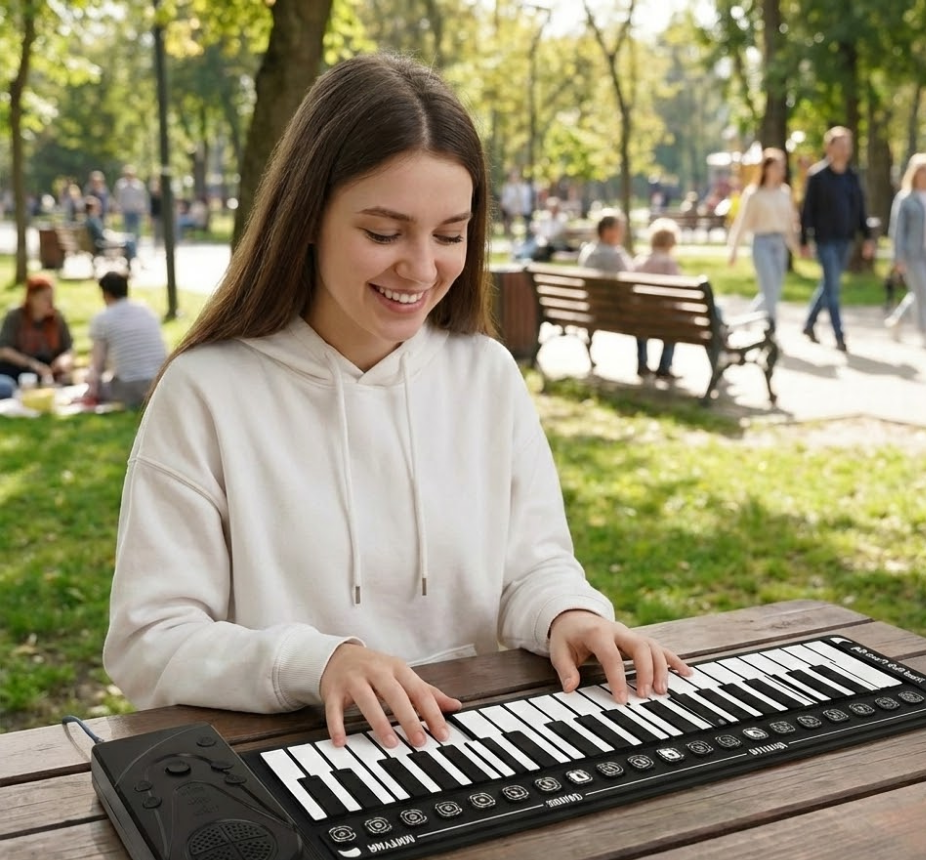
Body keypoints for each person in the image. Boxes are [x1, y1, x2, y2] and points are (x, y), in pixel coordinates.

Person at [103, 53, 691, 753]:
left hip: (476, 749)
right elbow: (150, 643)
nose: (420, 268)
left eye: (450, 234)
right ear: (309, 218)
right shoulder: (207, 392)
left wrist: (569, 613)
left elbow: (531, 566)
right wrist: (320, 662)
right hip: (292, 770)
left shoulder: (487, 376)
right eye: (383, 234)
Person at [799, 126, 874, 352]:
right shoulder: (817, 176)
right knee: (834, 288)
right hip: (824, 240)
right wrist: (803, 240)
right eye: (840, 144)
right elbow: (807, 211)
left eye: (847, 145)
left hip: (846, 240)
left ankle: (809, 323)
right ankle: (839, 335)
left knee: (829, 285)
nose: (844, 149)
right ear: (829, 147)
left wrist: (868, 238)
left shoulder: (852, 177)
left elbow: (861, 210)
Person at [884, 154, 926, 350]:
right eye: (923, 170)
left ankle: (897, 319)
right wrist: (898, 257)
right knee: (922, 293)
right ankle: (925, 333)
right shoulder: (905, 198)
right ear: (914, 173)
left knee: (921, 292)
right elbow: (897, 230)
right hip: (913, 255)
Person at [727, 147, 798, 326]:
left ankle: (746, 322)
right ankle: (772, 332)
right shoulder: (754, 194)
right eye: (777, 166)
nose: (781, 171)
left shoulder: (785, 192)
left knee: (772, 291)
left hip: (779, 244)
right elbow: (741, 224)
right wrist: (733, 249)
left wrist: (796, 247)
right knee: (769, 290)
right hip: (762, 243)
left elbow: (789, 224)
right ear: (766, 168)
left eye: (782, 166)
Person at [84, 271, 168, 408]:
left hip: (128, 389)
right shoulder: (147, 311)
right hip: (158, 385)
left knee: (100, 384)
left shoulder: (102, 318)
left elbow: (96, 365)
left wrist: (91, 388)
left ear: (105, 293)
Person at [578, 213, 648, 374]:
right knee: (649, 312)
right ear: (607, 230)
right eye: (619, 228)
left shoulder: (588, 251)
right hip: (617, 312)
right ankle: (644, 363)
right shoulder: (614, 255)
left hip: (593, 309)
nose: (622, 232)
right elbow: (633, 279)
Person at [0, 274, 75, 396]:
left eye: (52, 298)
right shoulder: (15, 316)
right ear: (31, 297)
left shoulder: (57, 318)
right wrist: (33, 365)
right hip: (18, 368)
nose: (50, 303)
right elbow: (4, 350)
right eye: (46, 298)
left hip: (48, 370)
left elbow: (69, 349)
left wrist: (63, 361)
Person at [633, 218, 682, 379]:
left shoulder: (640, 261)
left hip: (640, 317)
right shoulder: (669, 264)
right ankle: (664, 366)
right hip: (664, 319)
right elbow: (678, 294)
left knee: (642, 319)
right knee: (673, 324)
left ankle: (642, 363)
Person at [83, 197, 137, 269]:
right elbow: (101, 235)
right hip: (101, 243)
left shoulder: (90, 220)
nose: (99, 208)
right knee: (129, 241)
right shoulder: (92, 220)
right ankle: (134, 261)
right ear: (91, 208)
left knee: (129, 238)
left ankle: (135, 260)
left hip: (101, 241)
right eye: (97, 207)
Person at [113, 165, 148, 241]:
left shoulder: (139, 185)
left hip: (136, 210)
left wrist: (143, 209)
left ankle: (137, 244)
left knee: (137, 229)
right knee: (126, 229)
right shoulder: (120, 184)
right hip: (125, 210)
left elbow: (142, 198)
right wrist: (117, 207)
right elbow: (118, 197)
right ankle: (128, 245)